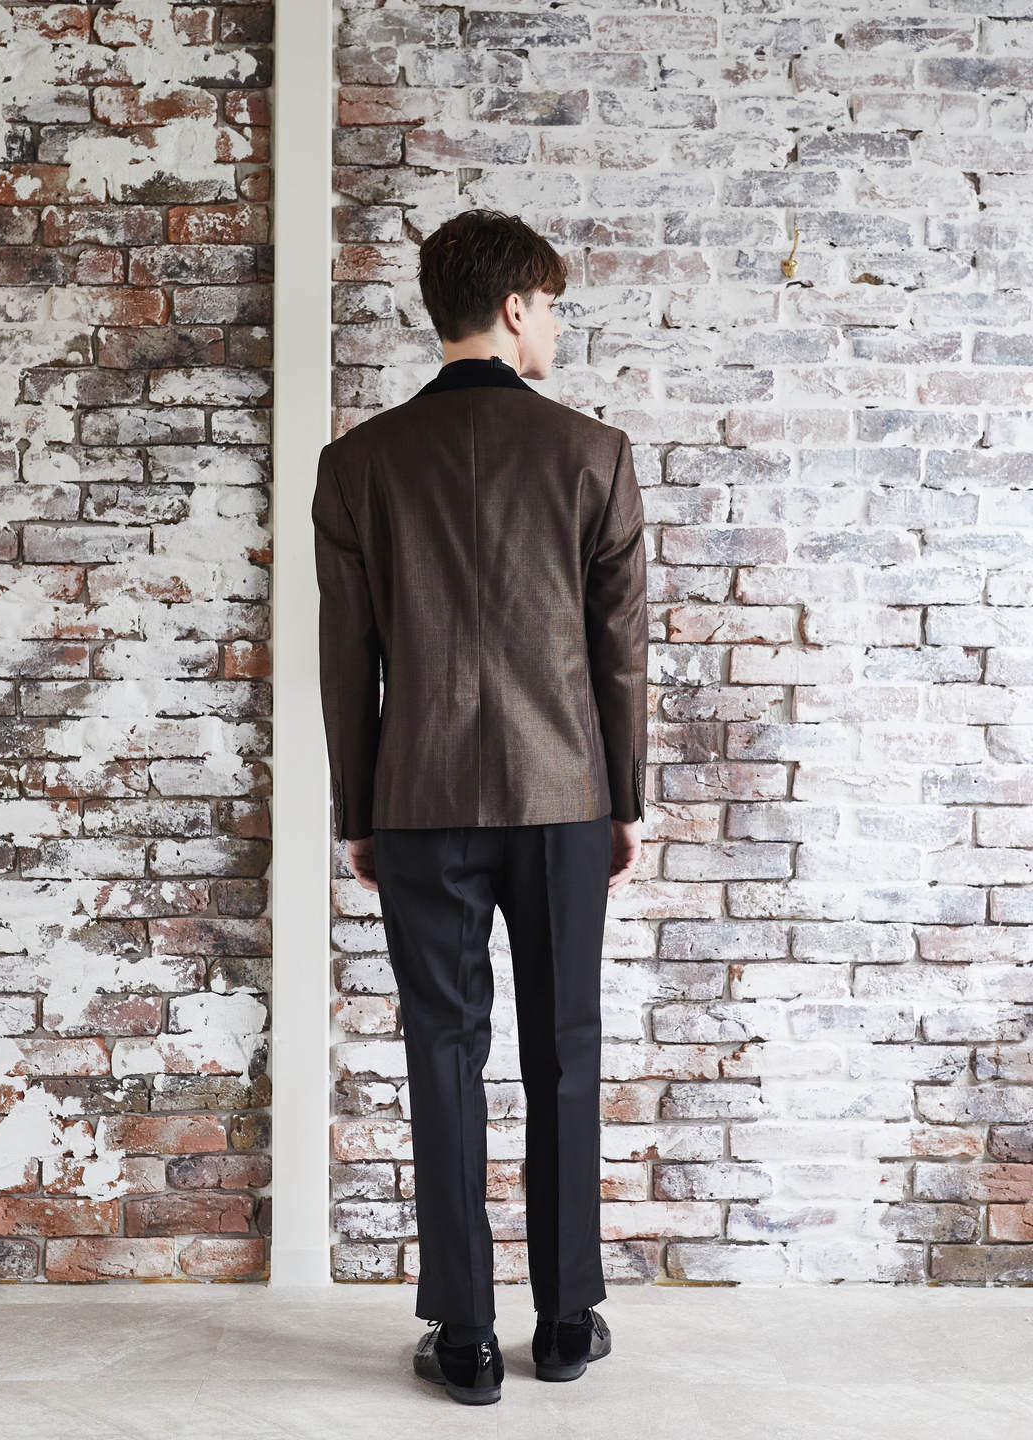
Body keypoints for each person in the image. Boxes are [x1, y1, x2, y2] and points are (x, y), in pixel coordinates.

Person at [311, 208, 648, 1405]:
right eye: (551, 304)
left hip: (420, 800)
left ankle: (465, 1337)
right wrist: (624, 800)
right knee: (565, 1048)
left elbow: (346, 661)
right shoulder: (593, 453)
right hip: (564, 801)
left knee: (442, 1053)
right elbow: (619, 653)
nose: (555, 325)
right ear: (514, 308)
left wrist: (360, 810)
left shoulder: (359, 464)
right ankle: (565, 1322)